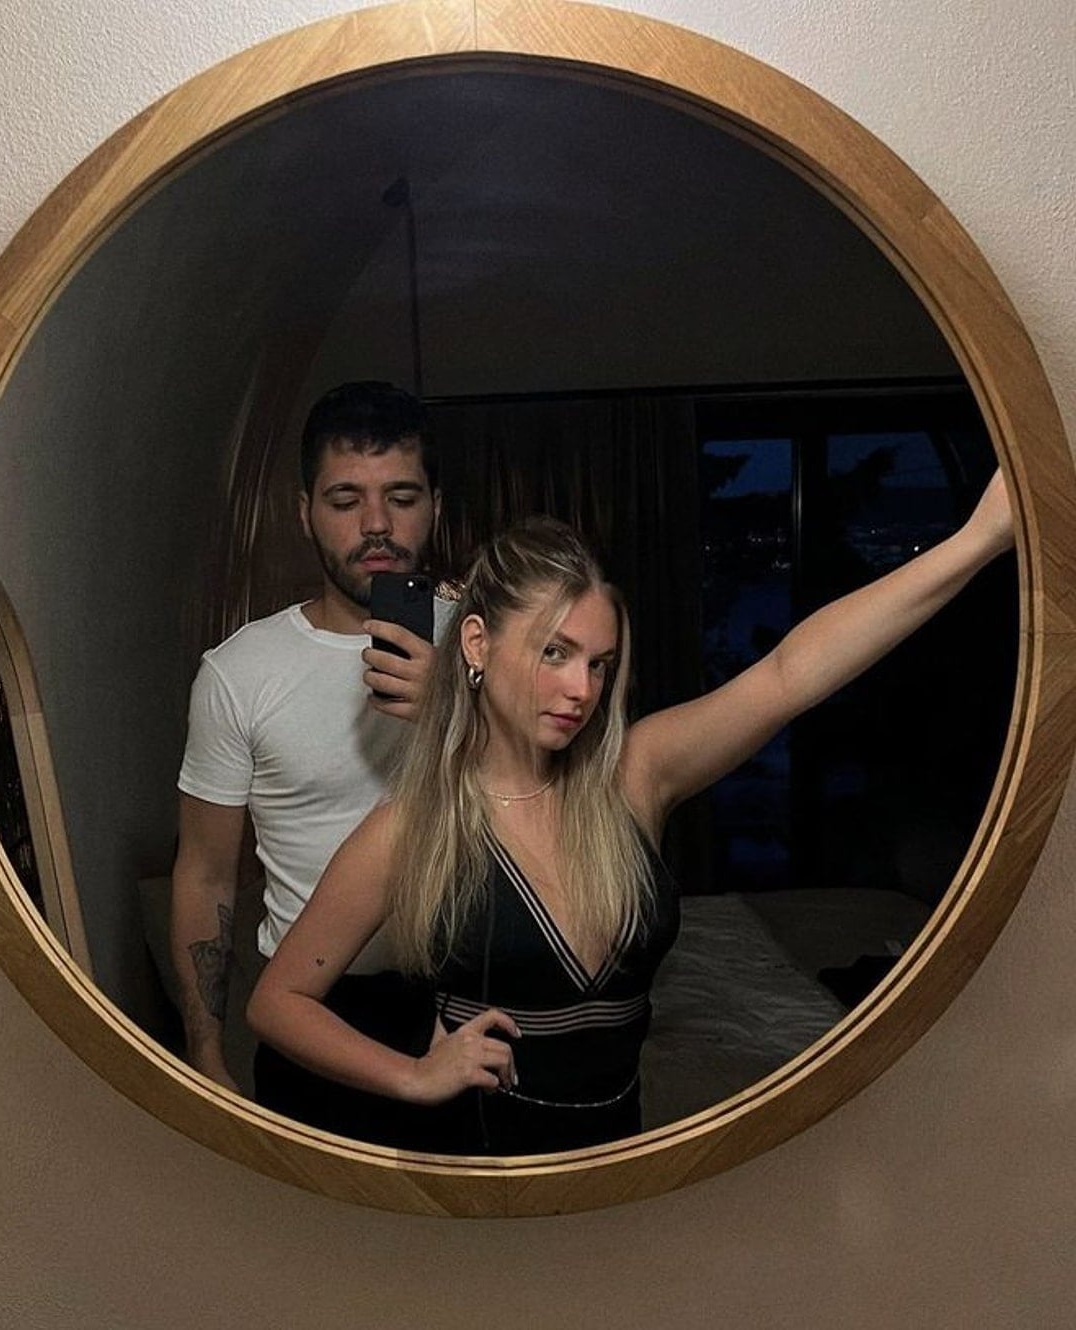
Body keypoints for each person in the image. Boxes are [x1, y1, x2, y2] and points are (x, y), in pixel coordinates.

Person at [246, 472, 1015, 1155]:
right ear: (475, 644)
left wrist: (977, 541)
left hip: (622, 1156)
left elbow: (789, 674)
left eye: (599, 664)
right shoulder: (414, 827)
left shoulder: (634, 776)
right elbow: (279, 1001)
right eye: (554, 653)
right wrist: (412, 1074)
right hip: (482, 1166)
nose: (581, 689)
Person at [171, 381, 449, 1142]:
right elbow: (205, 873)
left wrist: (459, 703)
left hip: (469, 990)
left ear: (434, 505)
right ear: (304, 513)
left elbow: (564, 805)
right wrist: (205, 1050)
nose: (376, 524)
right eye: (344, 500)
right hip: (312, 1008)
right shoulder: (240, 673)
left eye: (401, 497)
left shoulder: (487, 644)